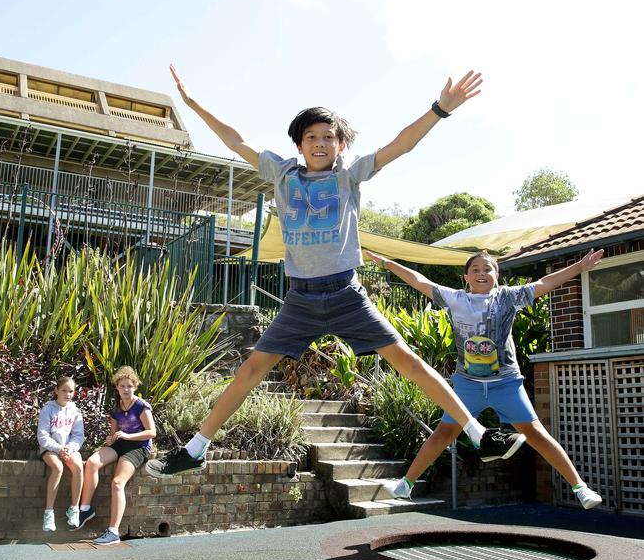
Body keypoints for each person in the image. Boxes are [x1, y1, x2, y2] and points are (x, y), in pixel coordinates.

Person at [146, 64, 525, 480]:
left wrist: (440, 109)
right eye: (312, 136)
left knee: (407, 360)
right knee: (251, 368)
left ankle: (478, 433)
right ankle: (196, 447)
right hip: (301, 298)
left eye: (329, 136)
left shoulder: (349, 176)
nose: (320, 143)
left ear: (341, 145)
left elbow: (401, 145)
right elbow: (235, 140)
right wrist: (195, 104)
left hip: (346, 294)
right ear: (299, 143)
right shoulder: (281, 173)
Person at [365, 248, 604, 510]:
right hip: (468, 385)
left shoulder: (508, 297)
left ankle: (580, 488)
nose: (482, 273)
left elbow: (544, 283)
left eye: (487, 269)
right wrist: (389, 263)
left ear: (497, 275)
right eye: (476, 270)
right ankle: (407, 484)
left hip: (506, 383)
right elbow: (421, 281)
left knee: (535, 433)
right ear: (465, 276)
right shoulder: (454, 299)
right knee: (444, 433)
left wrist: (579, 267)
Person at [78, 366, 156, 545]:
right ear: (117, 388)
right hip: (121, 444)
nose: (126, 389)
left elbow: (152, 432)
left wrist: (128, 436)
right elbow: (113, 435)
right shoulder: (116, 408)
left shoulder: (141, 406)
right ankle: (85, 509)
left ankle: (113, 532)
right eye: (122, 386)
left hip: (139, 447)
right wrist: (109, 439)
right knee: (91, 462)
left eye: (129, 386)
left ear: (135, 387)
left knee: (117, 483)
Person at [37, 376, 84, 531]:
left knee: (78, 467)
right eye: (64, 390)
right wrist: (58, 448)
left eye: (71, 391)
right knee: (58, 468)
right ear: (56, 390)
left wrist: (69, 448)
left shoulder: (75, 411)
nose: (67, 394)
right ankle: (48, 514)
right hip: (50, 449)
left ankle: (74, 509)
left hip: (69, 448)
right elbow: (43, 436)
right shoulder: (47, 409)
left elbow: (78, 435)